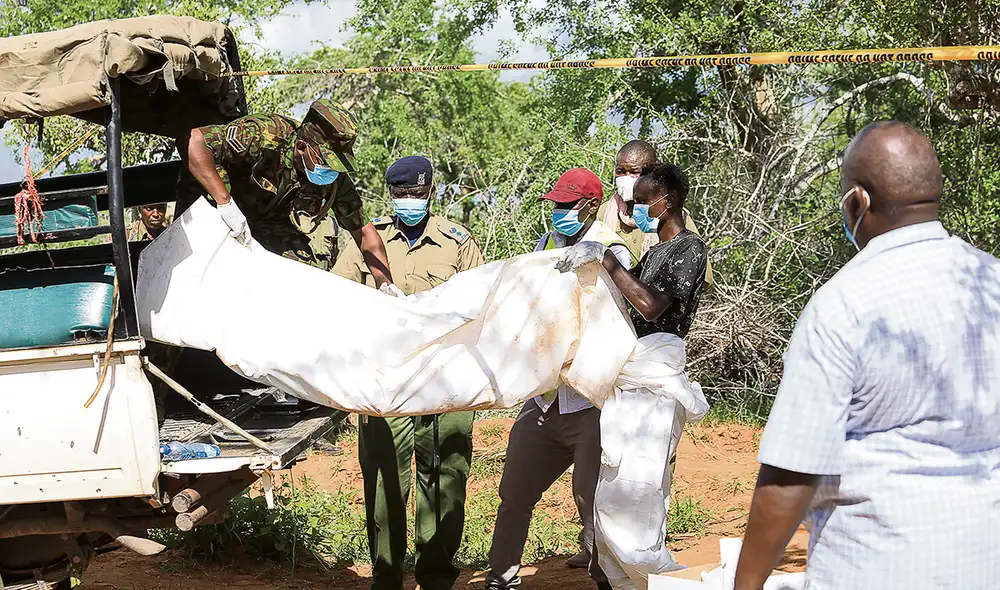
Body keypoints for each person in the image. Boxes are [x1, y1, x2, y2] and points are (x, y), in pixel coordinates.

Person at [733, 121, 1000, 590]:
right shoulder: (991, 282)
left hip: (876, 565)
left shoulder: (843, 304)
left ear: (857, 202)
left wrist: (747, 583)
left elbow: (793, 472)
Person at [333, 155, 484, 590]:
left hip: (447, 378)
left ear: (431, 192)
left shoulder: (458, 242)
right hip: (385, 381)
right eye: (402, 194)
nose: (409, 200)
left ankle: (436, 575)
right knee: (384, 478)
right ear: (391, 194)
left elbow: (481, 306)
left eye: (417, 193)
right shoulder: (367, 240)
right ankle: (387, 576)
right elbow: (338, 298)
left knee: (446, 475)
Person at [556, 162, 709, 581]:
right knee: (614, 489)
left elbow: (651, 307)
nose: (634, 208)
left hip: (654, 380)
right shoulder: (655, 252)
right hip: (632, 378)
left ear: (667, 202)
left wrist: (607, 260)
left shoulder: (689, 249)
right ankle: (624, 580)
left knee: (638, 492)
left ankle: (652, 580)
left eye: (642, 201)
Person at [485, 168, 635, 590]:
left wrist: (601, 260)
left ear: (591, 205)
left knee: (591, 500)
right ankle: (501, 577)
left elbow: (626, 309)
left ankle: (605, 579)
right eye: (556, 205)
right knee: (515, 493)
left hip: (591, 401)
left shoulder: (612, 249)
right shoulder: (547, 244)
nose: (559, 212)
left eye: (567, 205)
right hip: (546, 398)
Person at [176, 99, 394, 287]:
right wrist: (225, 202)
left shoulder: (334, 178)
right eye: (327, 162)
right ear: (301, 147)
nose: (331, 171)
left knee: (299, 275)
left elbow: (365, 233)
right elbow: (193, 141)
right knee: (205, 275)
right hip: (216, 211)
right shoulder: (266, 133)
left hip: (266, 226)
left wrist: (386, 284)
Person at [599, 140, 713, 289]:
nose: (625, 178)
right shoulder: (602, 213)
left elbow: (701, 277)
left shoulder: (672, 216)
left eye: (634, 172)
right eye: (620, 171)